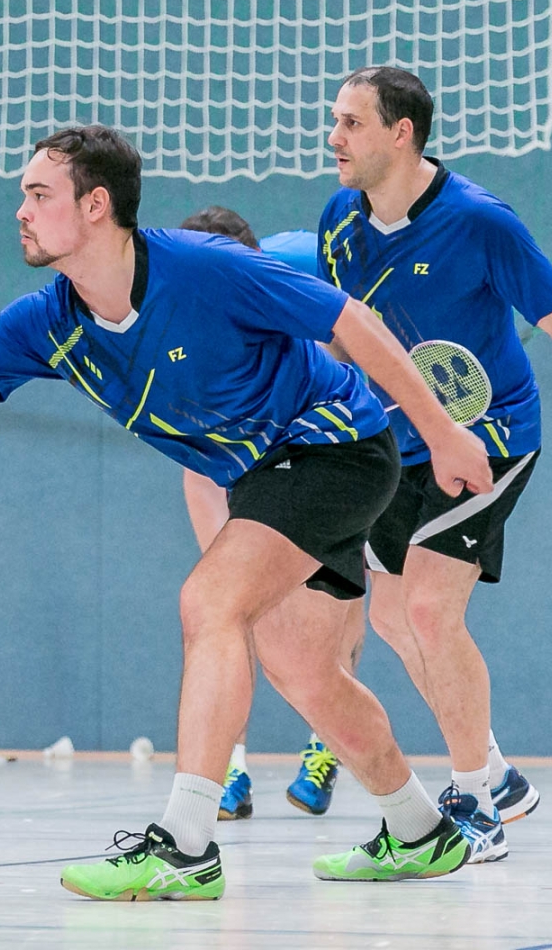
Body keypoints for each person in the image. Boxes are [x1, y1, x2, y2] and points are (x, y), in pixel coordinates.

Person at [0, 125, 493, 899]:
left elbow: (350, 321)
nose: (21, 211)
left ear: (96, 205)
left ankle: (185, 847)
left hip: (336, 445)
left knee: (209, 603)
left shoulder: (205, 269)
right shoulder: (49, 322)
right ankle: (419, 830)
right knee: (303, 672)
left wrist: (443, 433)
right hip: (263, 475)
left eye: (39, 195)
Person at [319, 66, 552, 862]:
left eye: (352, 122)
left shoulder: (479, 221)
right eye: (336, 120)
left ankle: (473, 806)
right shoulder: (338, 220)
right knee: (392, 618)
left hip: (489, 435)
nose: (334, 138)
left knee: (432, 610)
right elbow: (341, 333)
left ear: (402, 133)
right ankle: (497, 774)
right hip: (398, 440)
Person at [177, 209, 360, 821]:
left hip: (318, 453)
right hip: (224, 458)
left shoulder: (308, 266)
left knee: (336, 599)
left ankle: (326, 743)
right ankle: (227, 769)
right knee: (225, 605)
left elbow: (363, 340)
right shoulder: (170, 297)